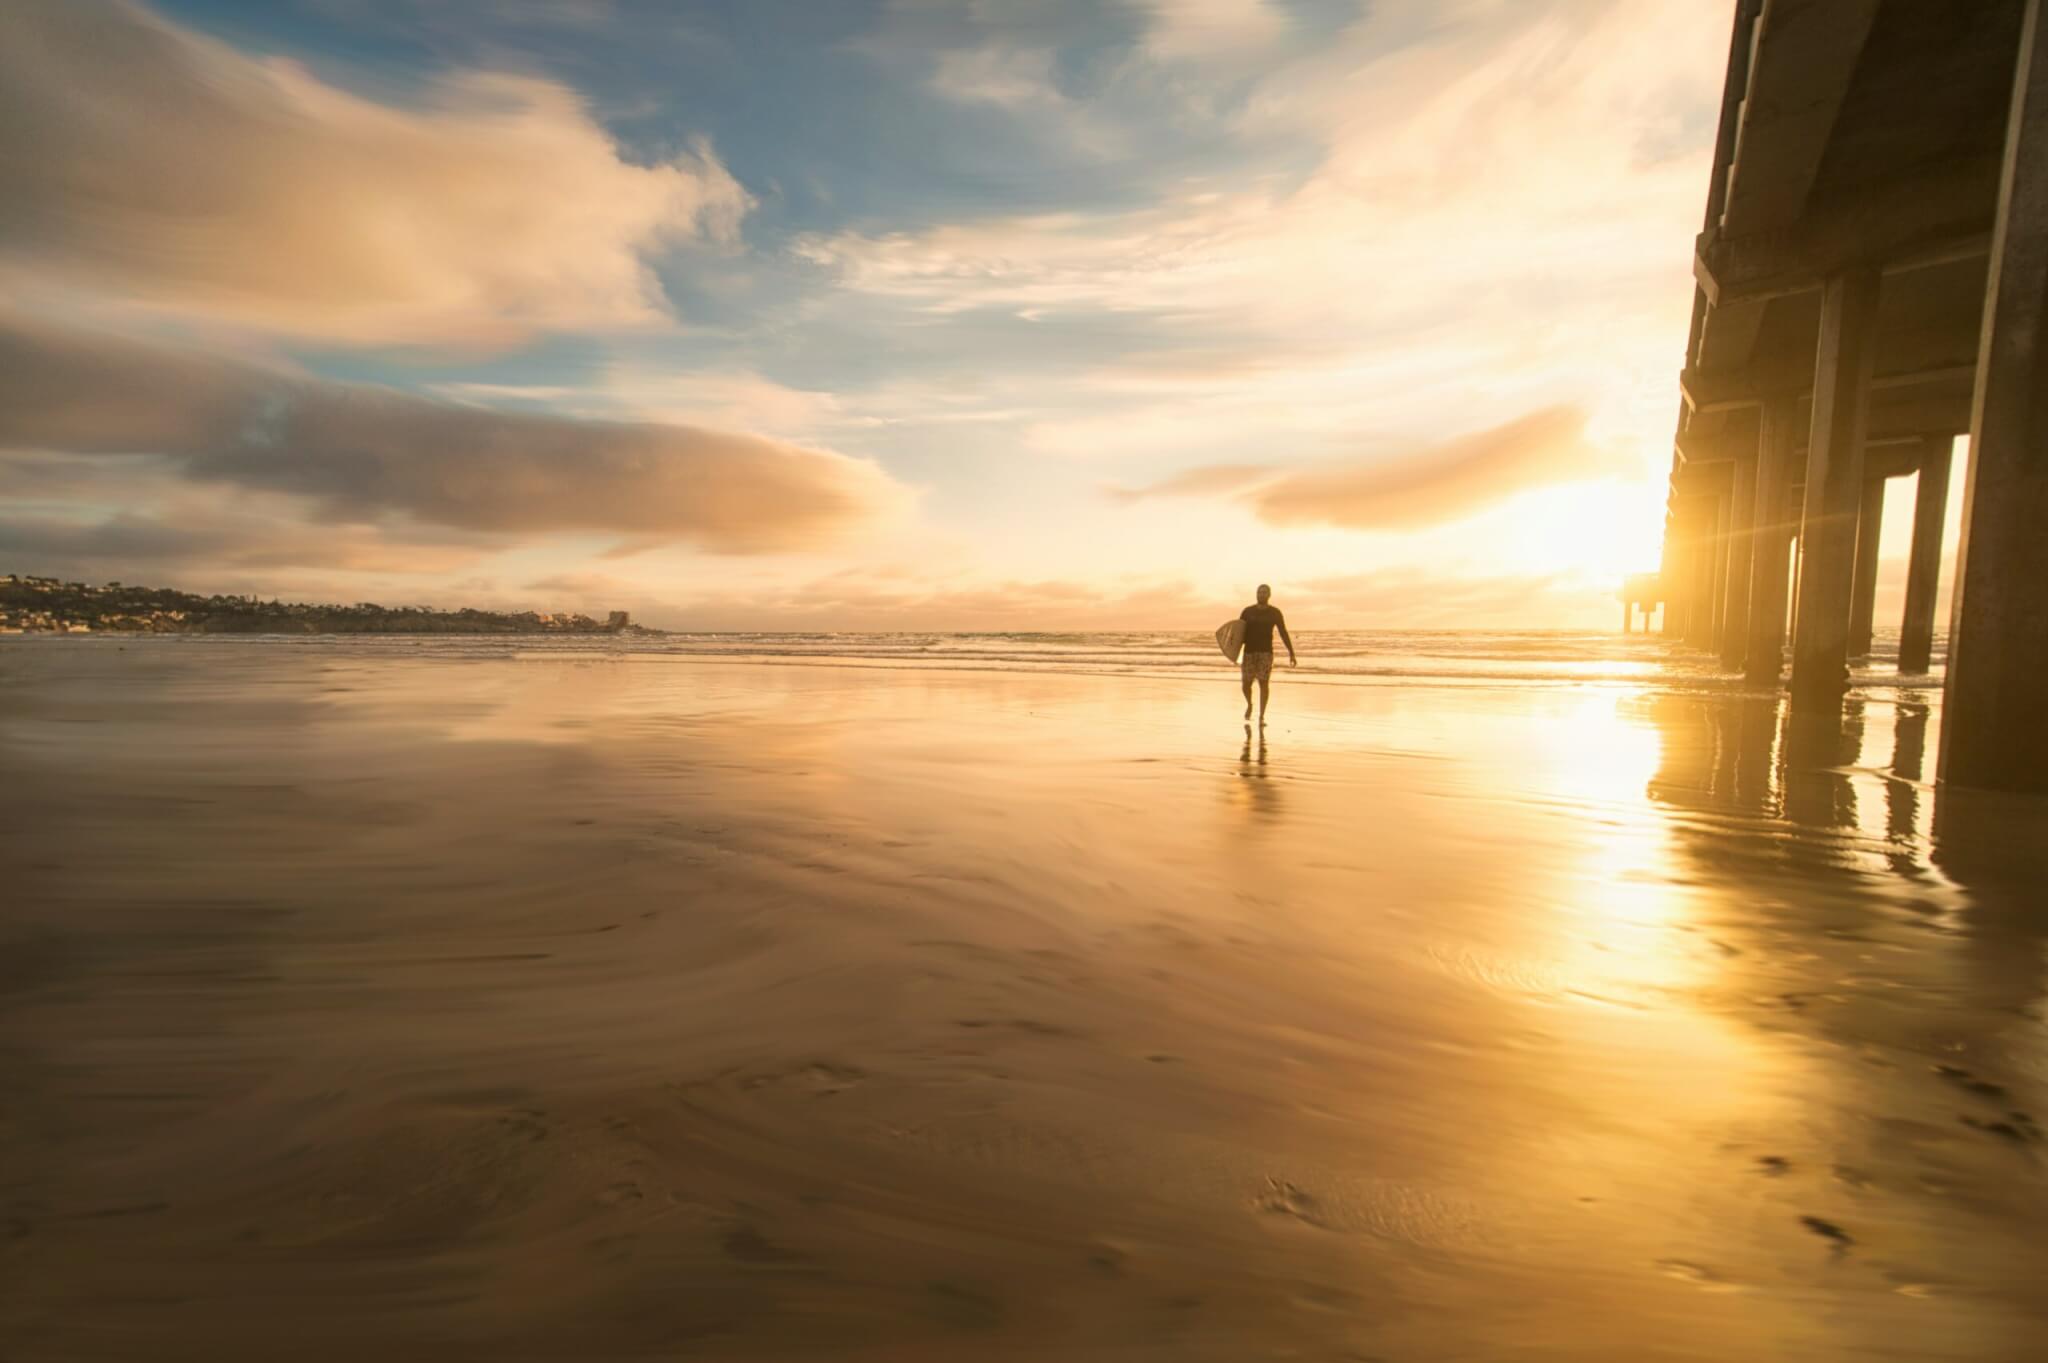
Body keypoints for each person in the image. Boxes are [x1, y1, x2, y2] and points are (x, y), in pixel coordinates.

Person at [1238, 584, 1295, 724]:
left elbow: (1283, 632)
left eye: (1264, 592)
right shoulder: (1247, 611)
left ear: (1269, 595)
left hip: (1266, 653)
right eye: (1259, 592)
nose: (1261, 594)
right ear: (1256, 594)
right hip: (1249, 652)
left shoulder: (1275, 613)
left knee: (1264, 683)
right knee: (1246, 684)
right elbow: (1238, 633)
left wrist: (1291, 652)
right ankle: (1250, 704)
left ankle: (1261, 716)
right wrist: (1233, 652)